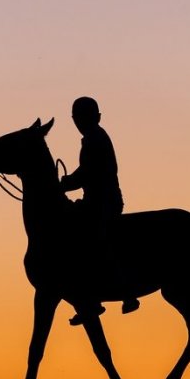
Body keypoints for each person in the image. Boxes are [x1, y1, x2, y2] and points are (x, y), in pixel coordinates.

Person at [60, 96, 140, 325]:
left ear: (95, 117)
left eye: (82, 117)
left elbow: (88, 172)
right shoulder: (94, 137)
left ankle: (121, 292)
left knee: (89, 241)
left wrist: (65, 183)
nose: (79, 122)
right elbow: (86, 172)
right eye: (77, 118)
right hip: (96, 201)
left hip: (103, 203)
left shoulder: (94, 139)